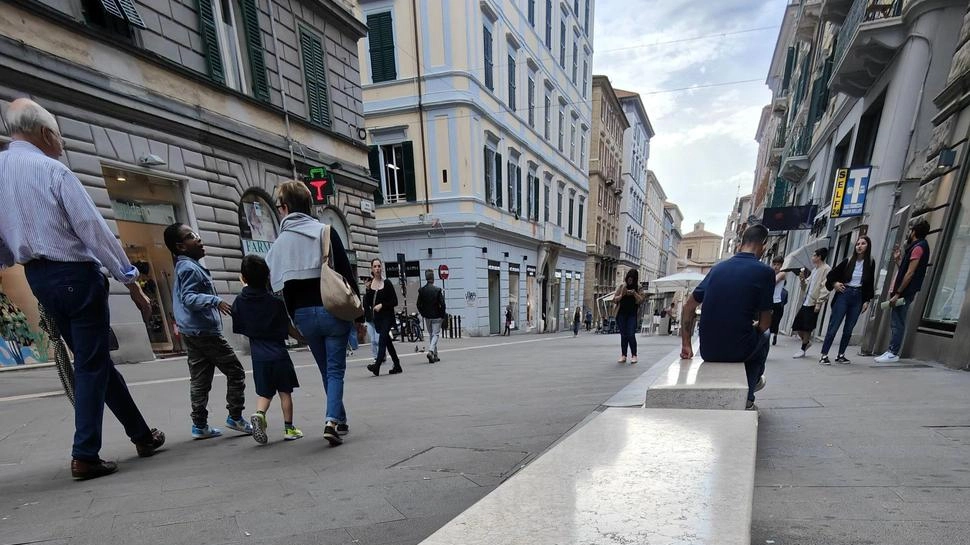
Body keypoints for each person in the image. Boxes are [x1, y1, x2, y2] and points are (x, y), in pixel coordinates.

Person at [0, 98, 164, 480]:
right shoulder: (53, 171)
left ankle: (141, 434)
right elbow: (94, 231)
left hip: (38, 278)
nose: (61, 142)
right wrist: (132, 283)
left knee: (96, 362)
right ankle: (85, 452)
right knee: (91, 364)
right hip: (75, 275)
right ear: (45, 133)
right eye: (58, 134)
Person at [266, 181, 358, 446]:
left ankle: (339, 418)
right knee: (335, 370)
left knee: (325, 368)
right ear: (308, 204)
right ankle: (331, 420)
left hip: (303, 315)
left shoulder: (280, 244)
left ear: (284, 208)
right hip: (332, 308)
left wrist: (292, 318)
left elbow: (276, 284)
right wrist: (357, 309)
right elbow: (345, 272)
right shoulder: (324, 232)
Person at [164, 222, 253, 440]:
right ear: (181, 246)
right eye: (191, 236)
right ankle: (235, 416)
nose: (198, 238)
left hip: (192, 331)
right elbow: (189, 298)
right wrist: (214, 300)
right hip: (204, 332)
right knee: (235, 371)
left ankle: (199, 425)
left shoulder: (185, 266)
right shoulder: (188, 268)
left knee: (200, 379)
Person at [680, 224, 774, 410]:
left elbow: (689, 306)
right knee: (765, 337)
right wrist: (753, 326)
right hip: (738, 351)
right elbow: (764, 323)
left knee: (751, 336)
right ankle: (749, 394)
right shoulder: (765, 272)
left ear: (741, 243)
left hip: (707, 350)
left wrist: (686, 344)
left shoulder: (717, 269)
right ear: (763, 245)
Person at [231, 255, 303, 443]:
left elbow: (240, 326)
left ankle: (259, 414)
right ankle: (289, 428)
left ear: (244, 278)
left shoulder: (240, 302)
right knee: (285, 392)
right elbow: (288, 327)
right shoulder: (276, 302)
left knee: (265, 392)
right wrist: (303, 338)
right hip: (279, 353)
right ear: (267, 276)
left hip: (259, 356)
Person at [875, 220, 931, 363]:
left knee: (898, 321)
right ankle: (891, 351)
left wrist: (898, 293)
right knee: (896, 320)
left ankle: (893, 352)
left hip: (905, 292)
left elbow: (910, 273)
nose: (909, 232)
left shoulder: (918, 247)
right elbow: (905, 270)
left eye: (910, 230)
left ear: (914, 232)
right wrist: (898, 260)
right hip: (904, 291)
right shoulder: (916, 247)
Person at [818, 236, 876, 365]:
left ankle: (841, 354)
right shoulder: (848, 260)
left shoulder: (870, 262)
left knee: (849, 328)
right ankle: (824, 354)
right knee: (834, 325)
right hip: (844, 293)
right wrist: (835, 284)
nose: (859, 246)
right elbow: (831, 275)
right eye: (857, 244)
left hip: (858, 296)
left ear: (868, 246)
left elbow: (870, 283)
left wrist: (866, 300)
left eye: (863, 243)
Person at [364, 259, 402, 376]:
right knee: (387, 342)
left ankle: (377, 365)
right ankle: (397, 365)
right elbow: (369, 303)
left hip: (387, 317)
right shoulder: (371, 284)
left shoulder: (387, 283)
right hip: (378, 318)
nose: (377, 268)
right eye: (375, 266)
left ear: (382, 268)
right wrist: (368, 290)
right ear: (372, 269)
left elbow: (394, 301)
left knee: (382, 340)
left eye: (379, 266)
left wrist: (382, 305)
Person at [791, 248, 831, 358]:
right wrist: (802, 280)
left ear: (819, 257)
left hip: (814, 302)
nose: (812, 258)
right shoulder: (814, 270)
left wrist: (819, 302)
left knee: (807, 327)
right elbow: (806, 286)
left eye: (814, 255)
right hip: (806, 301)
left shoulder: (826, 269)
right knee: (797, 325)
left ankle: (803, 349)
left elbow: (825, 287)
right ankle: (806, 342)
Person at [614, 269, 645, 363]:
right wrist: (622, 295)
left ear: (635, 279)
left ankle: (634, 355)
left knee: (631, 334)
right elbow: (614, 299)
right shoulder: (622, 286)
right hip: (621, 314)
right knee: (623, 335)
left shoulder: (639, 288)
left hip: (632, 314)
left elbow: (641, 300)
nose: (629, 281)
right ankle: (623, 355)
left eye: (631, 279)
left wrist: (634, 293)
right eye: (628, 279)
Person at [416, 269, 446, 363]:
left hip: (427, 317)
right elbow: (443, 304)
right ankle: (431, 351)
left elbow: (418, 304)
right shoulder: (437, 290)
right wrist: (442, 315)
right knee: (436, 335)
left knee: (431, 335)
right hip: (437, 316)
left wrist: (423, 313)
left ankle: (435, 355)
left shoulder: (422, 290)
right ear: (433, 278)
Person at [770, 257, 788, 346]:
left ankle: (775, 335)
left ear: (781, 265)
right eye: (774, 264)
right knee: (768, 320)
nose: (776, 267)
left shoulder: (782, 274)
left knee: (775, 321)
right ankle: (768, 337)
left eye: (778, 265)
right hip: (769, 300)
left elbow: (773, 282)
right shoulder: (771, 273)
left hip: (777, 301)